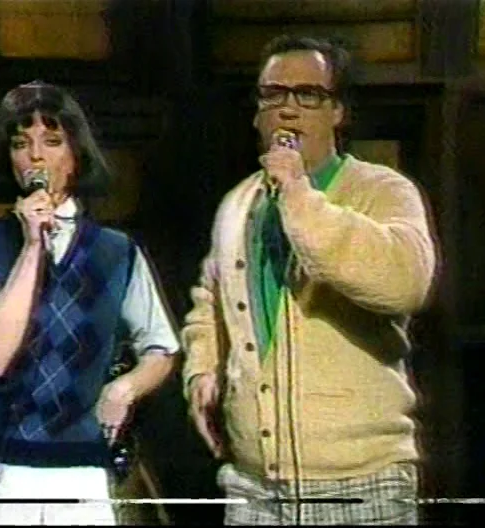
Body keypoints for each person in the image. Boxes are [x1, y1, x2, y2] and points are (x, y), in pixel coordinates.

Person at [181, 35, 438, 525]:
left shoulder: (382, 191)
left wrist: (298, 197)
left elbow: (405, 281)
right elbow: (210, 300)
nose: (288, 109)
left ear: (337, 111)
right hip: (253, 486)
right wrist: (202, 369)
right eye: (273, 94)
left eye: (308, 95)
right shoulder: (237, 204)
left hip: (361, 483)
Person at [0, 80, 180, 526]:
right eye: (20, 144)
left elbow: (162, 346)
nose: (35, 157)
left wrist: (124, 389)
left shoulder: (117, 252)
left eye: (51, 141)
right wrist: (32, 245)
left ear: (75, 154)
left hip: (80, 474)